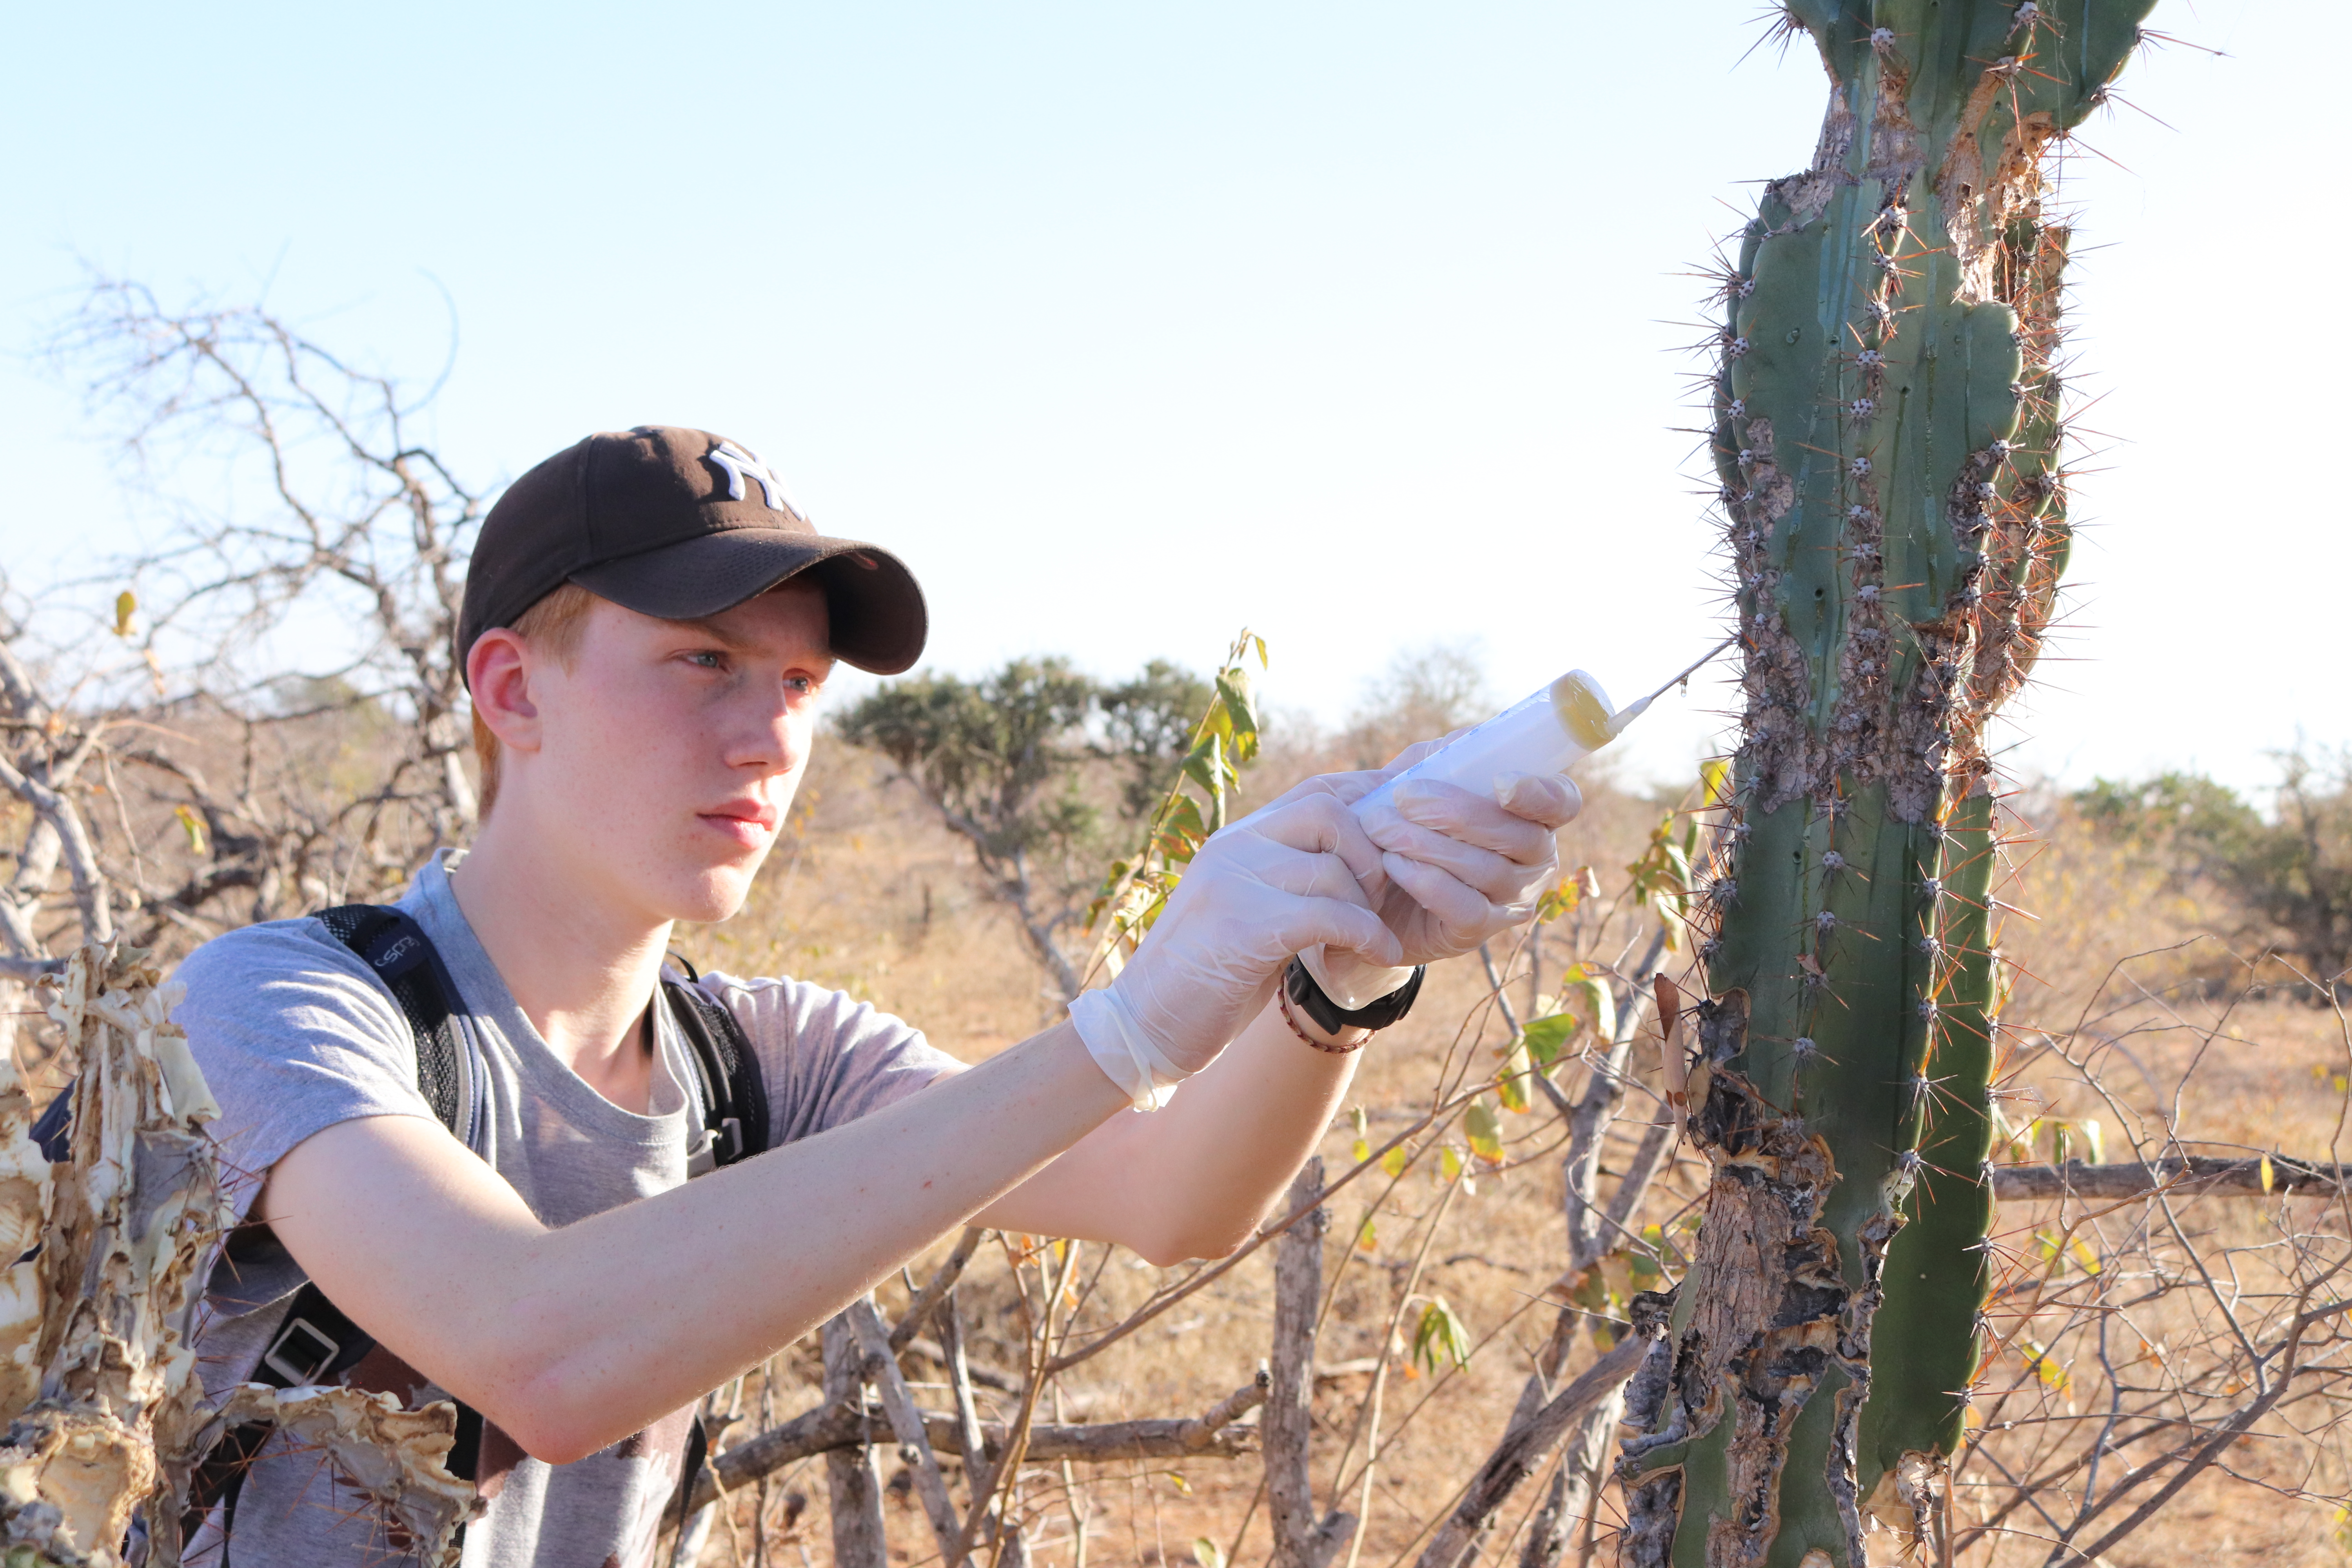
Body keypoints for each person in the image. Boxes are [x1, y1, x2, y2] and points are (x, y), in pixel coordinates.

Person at [172, 425, 1580, 1565]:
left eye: (798, 679)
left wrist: (1343, 968)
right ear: (511, 690)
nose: (769, 734)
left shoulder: (767, 1057)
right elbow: (540, 1353)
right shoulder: (283, 1003)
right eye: (703, 662)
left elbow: (1173, 1200)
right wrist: (1134, 1024)